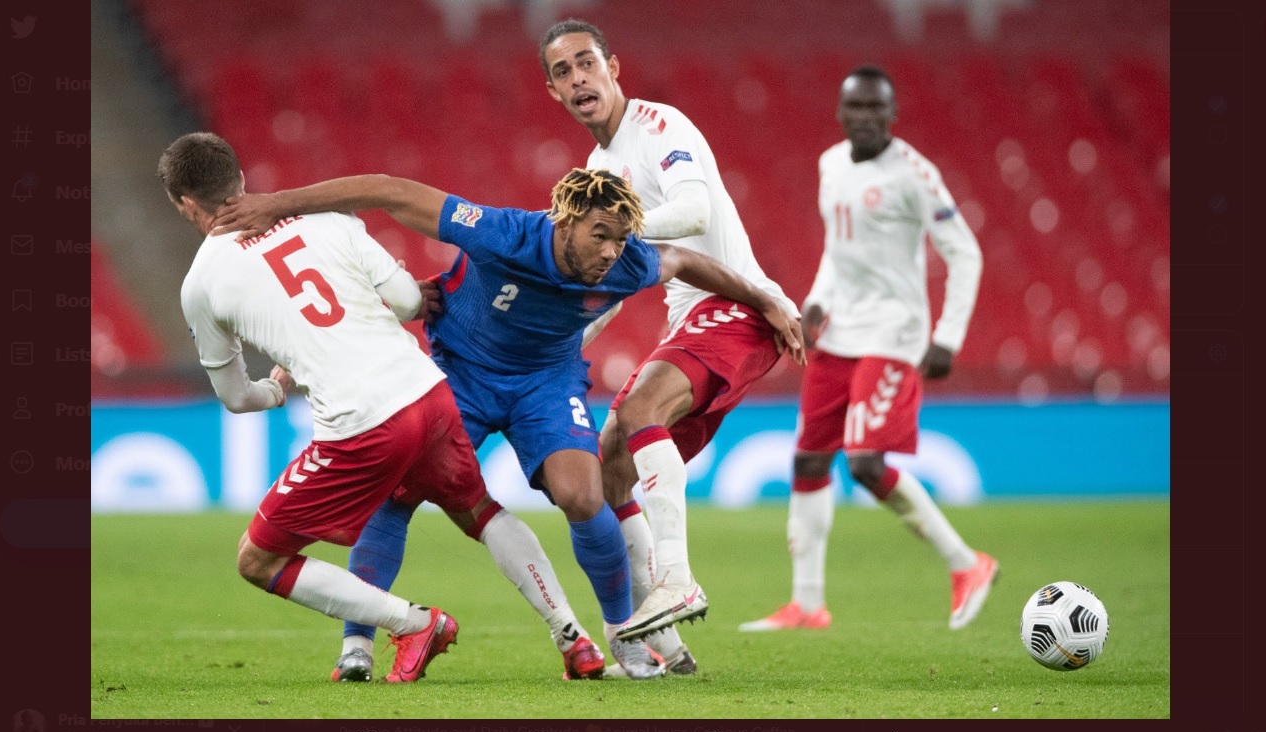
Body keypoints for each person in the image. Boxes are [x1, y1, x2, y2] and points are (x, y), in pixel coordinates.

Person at [211, 168, 803, 680]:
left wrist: (765, 299)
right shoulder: (502, 232)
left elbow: (684, 259)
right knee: (395, 495)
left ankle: (622, 629)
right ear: (564, 221)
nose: (609, 253)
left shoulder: (624, 263)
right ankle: (358, 643)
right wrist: (276, 204)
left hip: (545, 384)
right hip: (461, 378)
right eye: (599, 235)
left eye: (620, 240)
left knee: (582, 493)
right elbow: (389, 191)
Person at [161, 131, 487, 683]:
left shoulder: (201, 283)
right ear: (240, 179)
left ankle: (413, 623)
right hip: (429, 393)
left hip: (362, 425)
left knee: (257, 560)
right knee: (479, 511)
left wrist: (276, 388)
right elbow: (409, 301)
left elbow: (237, 398)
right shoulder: (326, 219)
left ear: (186, 204)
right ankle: (573, 633)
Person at [539, 20, 803, 662]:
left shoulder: (660, 127)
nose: (578, 78)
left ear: (614, 67)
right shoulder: (597, 172)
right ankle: (667, 642)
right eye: (562, 72)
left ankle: (677, 583)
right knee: (610, 467)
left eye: (586, 63)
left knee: (637, 412)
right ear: (554, 92)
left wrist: (605, 230)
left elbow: (694, 214)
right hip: (691, 320)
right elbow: (614, 281)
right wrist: (556, 344)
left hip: (737, 306)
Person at [738, 66, 998, 633]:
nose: (863, 119)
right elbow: (840, 247)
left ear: (891, 114)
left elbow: (965, 252)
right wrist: (814, 303)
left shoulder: (914, 174)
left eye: (875, 110)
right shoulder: (830, 165)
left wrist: (947, 337)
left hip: (894, 334)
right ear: (840, 111)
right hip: (842, 332)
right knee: (808, 460)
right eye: (854, 108)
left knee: (864, 463)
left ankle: (967, 563)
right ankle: (807, 604)